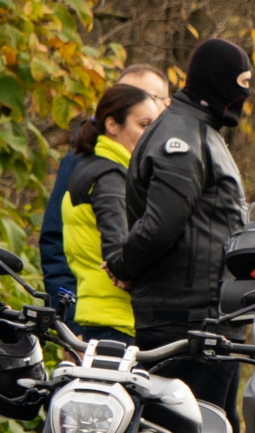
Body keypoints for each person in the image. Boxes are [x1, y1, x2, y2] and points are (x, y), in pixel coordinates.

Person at [117, 39, 253, 433]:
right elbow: (162, 224)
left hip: (208, 320)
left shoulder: (199, 130)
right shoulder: (182, 137)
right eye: (242, 84)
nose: (246, 95)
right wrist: (124, 264)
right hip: (189, 323)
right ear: (219, 83)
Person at [38, 64, 169, 310]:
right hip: (100, 317)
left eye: (148, 97)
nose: (135, 102)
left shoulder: (173, 164)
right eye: (126, 94)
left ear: (165, 104)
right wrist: (67, 316)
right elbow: (57, 242)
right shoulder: (84, 163)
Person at [59, 82, 160, 341]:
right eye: (144, 125)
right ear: (112, 125)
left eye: (156, 126)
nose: (152, 135)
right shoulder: (111, 177)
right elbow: (118, 252)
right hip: (116, 321)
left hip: (100, 315)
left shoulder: (93, 168)